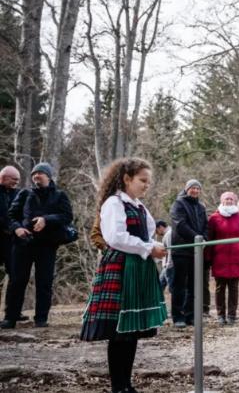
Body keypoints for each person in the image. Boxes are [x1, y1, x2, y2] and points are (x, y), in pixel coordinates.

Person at [79, 158, 167, 393]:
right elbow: (115, 237)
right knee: (119, 332)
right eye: (142, 180)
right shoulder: (114, 203)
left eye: (148, 181)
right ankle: (118, 387)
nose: (146, 185)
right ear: (127, 179)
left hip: (138, 268)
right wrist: (149, 248)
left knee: (131, 330)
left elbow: (146, 236)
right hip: (120, 268)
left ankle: (126, 385)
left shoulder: (139, 206)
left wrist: (155, 248)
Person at [1, 162, 74, 329]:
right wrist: (17, 228)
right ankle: (10, 318)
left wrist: (46, 220)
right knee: (17, 281)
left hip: (47, 246)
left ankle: (41, 319)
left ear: (48, 176)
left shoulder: (59, 195)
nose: (35, 176)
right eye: (34, 174)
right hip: (23, 244)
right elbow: (11, 215)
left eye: (39, 173)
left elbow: (67, 216)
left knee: (44, 282)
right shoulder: (25, 193)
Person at [206, 192, 239, 325]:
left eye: (232, 199)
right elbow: (210, 238)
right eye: (227, 198)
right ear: (222, 200)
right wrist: (207, 257)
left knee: (234, 287)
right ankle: (221, 315)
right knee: (220, 288)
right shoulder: (214, 218)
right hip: (219, 258)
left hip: (236, 258)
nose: (229, 201)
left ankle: (232, 315)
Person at [169, 179, 208, 328]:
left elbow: (206, 225)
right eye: (192, 188)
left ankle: (190, 315)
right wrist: (196, 238)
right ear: (186, 189)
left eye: (198, 188)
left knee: (194, 285)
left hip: (196, 251)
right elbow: (180, 225)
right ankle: (178, 316)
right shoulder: (178, 204)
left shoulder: (201, 206)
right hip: (181, 250)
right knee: (179, 285)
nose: (195, 191)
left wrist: (203, 238)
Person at [0, 166, 20, 284]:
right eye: (14, 179)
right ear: (4, 178)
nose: (17, 182)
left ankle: (11, 303)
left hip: (11, 241)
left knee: (15, 275)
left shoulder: (18, 194)